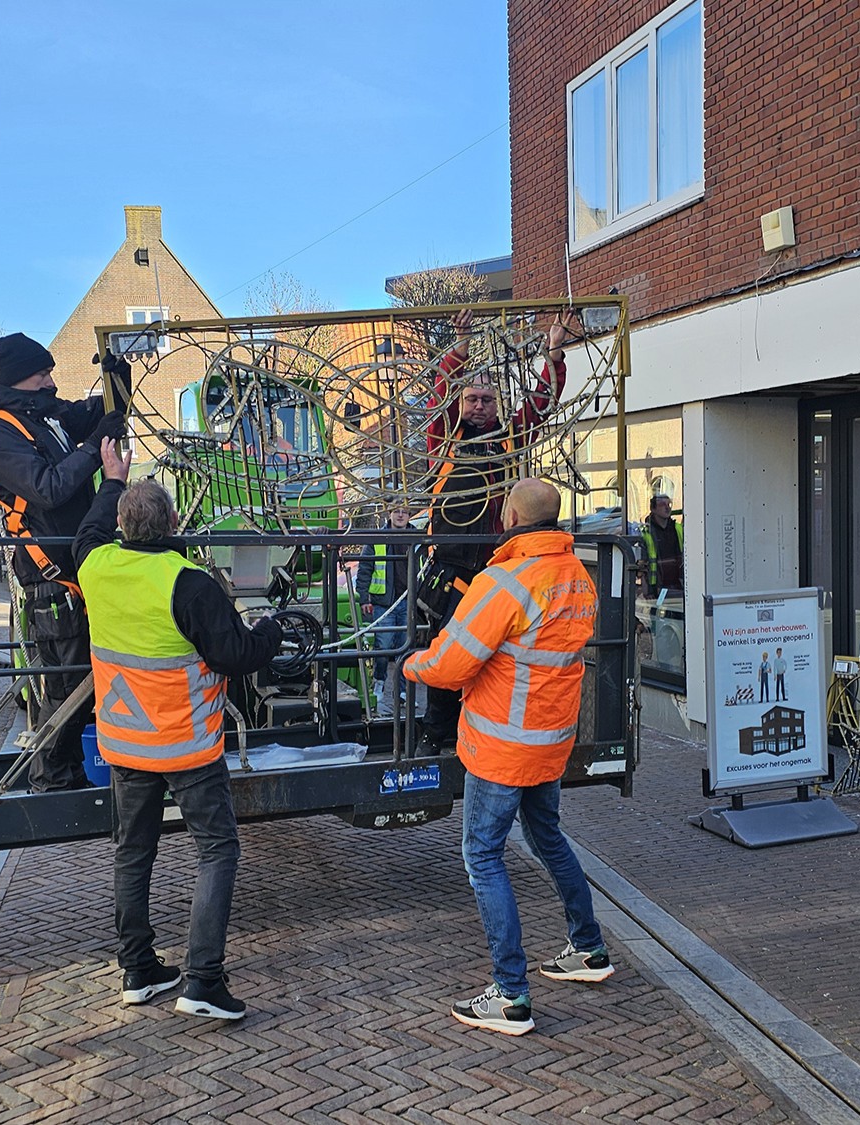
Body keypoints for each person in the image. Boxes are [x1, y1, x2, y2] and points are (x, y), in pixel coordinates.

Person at [74, 437, 283, 1021]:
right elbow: (236, 656)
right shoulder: (189, 582)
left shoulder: (95, 566)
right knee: (217, 851)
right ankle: (202, 980)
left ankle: (138, 969)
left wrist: (112, 476)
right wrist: (269, 631)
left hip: (125, 743)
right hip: (187, 743)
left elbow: (90, 530)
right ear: (172, 521)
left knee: (132, 852)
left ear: (121, 524)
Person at [402, 478, 610, 1036]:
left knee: (482, 856)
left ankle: (512, 995)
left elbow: (451, 663)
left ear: (510, 516)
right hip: (551, 738)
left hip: (501, 745)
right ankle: (588, 949)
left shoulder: (505, 581)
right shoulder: (576, 577)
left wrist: (413, 665)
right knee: (548, 836)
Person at [0, 331, 130, 791]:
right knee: (65, 682)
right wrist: (91, 451)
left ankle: (68, 773)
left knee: (84, 676)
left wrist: (118, 374)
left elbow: (104, 412)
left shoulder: (46, 415)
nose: (51, 382)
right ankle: (52, 779)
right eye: (43, 374)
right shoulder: (1, 434)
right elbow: (47, 487)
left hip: (78, 567)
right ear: (21, 379)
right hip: (51, 577)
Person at [418, 312, 568, 751]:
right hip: (451, 570)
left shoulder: (507, 439)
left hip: (496, 568)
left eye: (486, 399)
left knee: (495, 657)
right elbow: (439, 399)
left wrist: (553, 354)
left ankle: (477, 728)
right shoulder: (444, 438)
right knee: (448, 650)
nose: (479, 406)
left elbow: (541, 407)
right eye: (472, 399)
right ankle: (436, 728)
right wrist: (461, 344)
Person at [355, 505, 415, 719]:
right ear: (389, 514)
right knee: (383, 648)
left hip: (407, 602)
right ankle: (378, 686)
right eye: (397, 511)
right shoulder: (377, 538)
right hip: (384, 603)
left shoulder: (416, 539)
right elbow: (365, 570)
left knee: (405, 650)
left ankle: (402, 692)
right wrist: (364, 599)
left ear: (409, 516)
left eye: (405, 511)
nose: (400, 515)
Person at [639, 493, 683, 596]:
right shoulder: (646, 532)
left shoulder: (677, 529)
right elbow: (642, 565)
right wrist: (648, 591)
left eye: (669, 504)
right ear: (653, 509)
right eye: (662, 505)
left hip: (678, 585)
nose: (667, 508)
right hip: (656, 588)